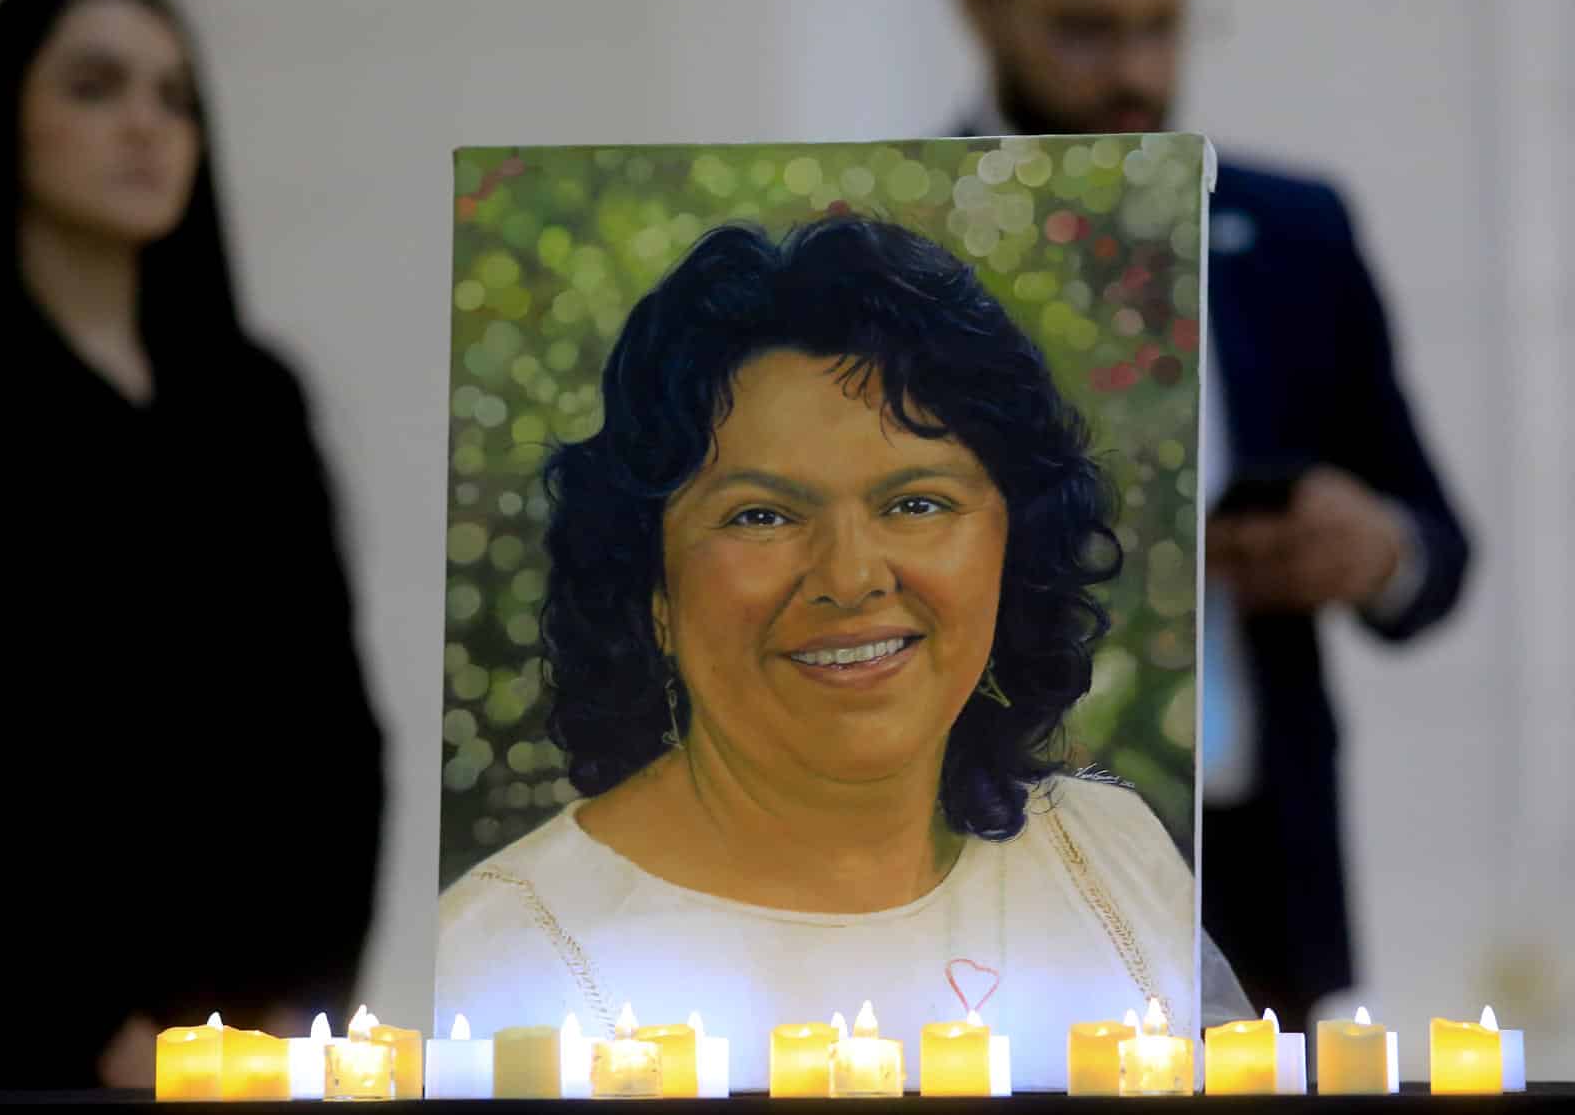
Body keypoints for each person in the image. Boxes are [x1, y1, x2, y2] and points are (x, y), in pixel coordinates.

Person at [437, 216, 1246, 1091]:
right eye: (762, 515)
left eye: (918, 503)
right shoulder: (504, 955)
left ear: (1014, 547)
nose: (851, 577)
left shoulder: (1107, 855)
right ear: (651, 590)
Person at [950, 0, 1472, 1027]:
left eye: (1163, 26)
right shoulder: (883, 247)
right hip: (977, 862)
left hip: (1251, 856)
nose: (1136, 72)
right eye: (1085, 31)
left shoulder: (1293, 235)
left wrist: (1373, 547)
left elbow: (1441, 549)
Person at [0, 0, 385, 1088]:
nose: (146, 125)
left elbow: (333, 735)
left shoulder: (254, 402)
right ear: (4, 125)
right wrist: (93, 1026)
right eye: (96, 86)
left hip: (241, 1041)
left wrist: (292, 1001)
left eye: (176, 97)